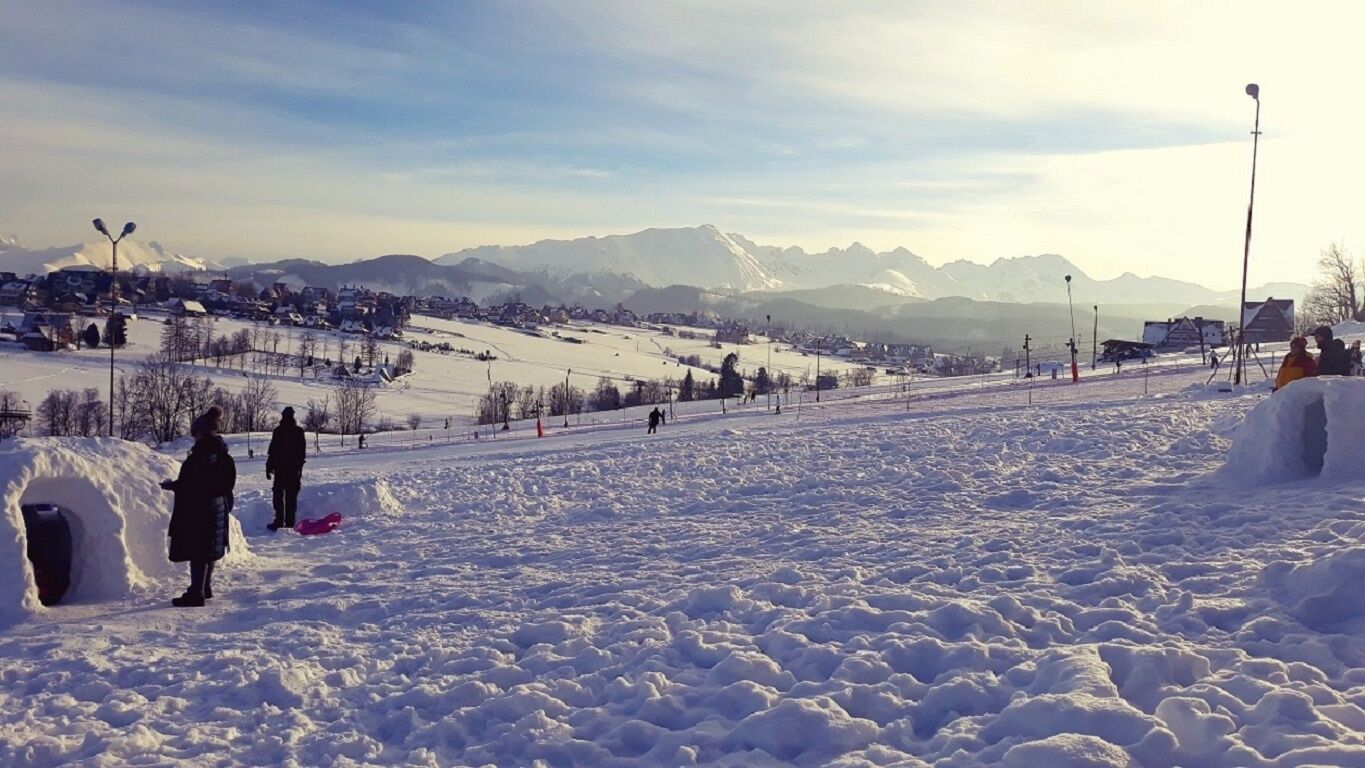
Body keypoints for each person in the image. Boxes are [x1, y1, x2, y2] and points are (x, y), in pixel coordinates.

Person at [160, 406, 236, 607]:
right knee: (208, 550)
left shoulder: (201, 455)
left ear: (200, 432)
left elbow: (192, 484)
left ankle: (196, 593)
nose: (193, 437)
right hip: (217, 506)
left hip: (200, 509)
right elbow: (226, 483)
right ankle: (205, 587)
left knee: (198, 551)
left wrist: (172, 485)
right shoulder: (221, 453)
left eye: (194, 433)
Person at [265, 406, 307, 532]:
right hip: (292, 470)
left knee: (279, 496)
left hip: (281, 470)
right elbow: (302, 453)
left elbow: (272, 452)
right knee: (290, 497)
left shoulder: (278, 431)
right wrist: (299, 468)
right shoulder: (298, 431)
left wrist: (269, 467)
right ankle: (289, 523)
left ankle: (279, 521)